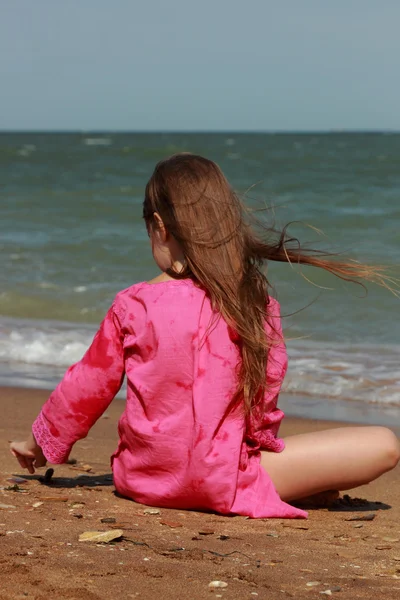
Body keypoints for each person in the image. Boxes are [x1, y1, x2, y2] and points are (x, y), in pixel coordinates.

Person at [10, 154, 400, 519]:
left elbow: (86, 386)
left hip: (143, 479)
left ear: (160, 227)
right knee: (384, 444)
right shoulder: (252, 303)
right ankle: (289, 485)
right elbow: (264, 400)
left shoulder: (133, 305)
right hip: (225, 478)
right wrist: (257, 447)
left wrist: (38, 443)